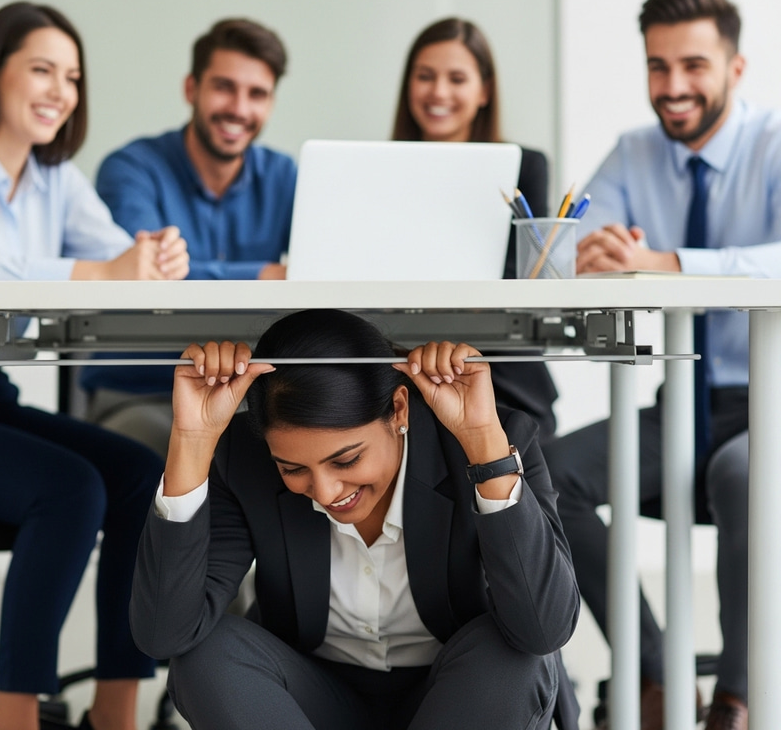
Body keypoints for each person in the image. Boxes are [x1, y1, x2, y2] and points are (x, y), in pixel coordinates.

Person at [130, 308, 581, 730]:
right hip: (306, 700)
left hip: (455, 696)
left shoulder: (494, 440)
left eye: (346, 459)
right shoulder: (241, 461)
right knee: (204, 655)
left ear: (399, 410)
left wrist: (483, 443)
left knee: (515, 655)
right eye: (293, 469)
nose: (326, 492)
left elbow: (543, 630)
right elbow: (166, 634)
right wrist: (192, 442)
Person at [543, 0, 781, 730]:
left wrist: (668, 262)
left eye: (693, 66)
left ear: (735, 68)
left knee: (740, 472)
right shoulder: (634, 153)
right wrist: (600, 254)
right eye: (657, 67)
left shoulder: (774, 144)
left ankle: (739, 700)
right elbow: (572, 256)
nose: (673, 88)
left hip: (768, 405)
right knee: (546, 475)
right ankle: (653, 676)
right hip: (681, 403)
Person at [0, 1, 189, 730]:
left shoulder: (53, 179)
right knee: (70, 489)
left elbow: (115, 256)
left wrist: (155, 256)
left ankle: (116, 709)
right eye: (41, 69)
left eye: (71, 76)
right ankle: (15, 717)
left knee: (135, 473)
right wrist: (106, 271)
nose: (60, 91)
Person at [80, 16, 297, 458]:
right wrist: (265, 276)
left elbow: (321, 271)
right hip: (141, 393)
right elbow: (145, 273)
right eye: (224, 87)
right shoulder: (131, 170)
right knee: (147, 462)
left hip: (248, 399)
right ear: (190, 89)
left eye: (257, 94)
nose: (239, 107)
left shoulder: (286, 176)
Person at [392, 17, 558, 440]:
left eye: (457, 78)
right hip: (403, 371)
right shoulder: (383, 174)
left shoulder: (524, 167)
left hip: (503, 374)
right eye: (425, 76)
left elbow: (524, 280)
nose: (438, 92)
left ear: (484, 90)